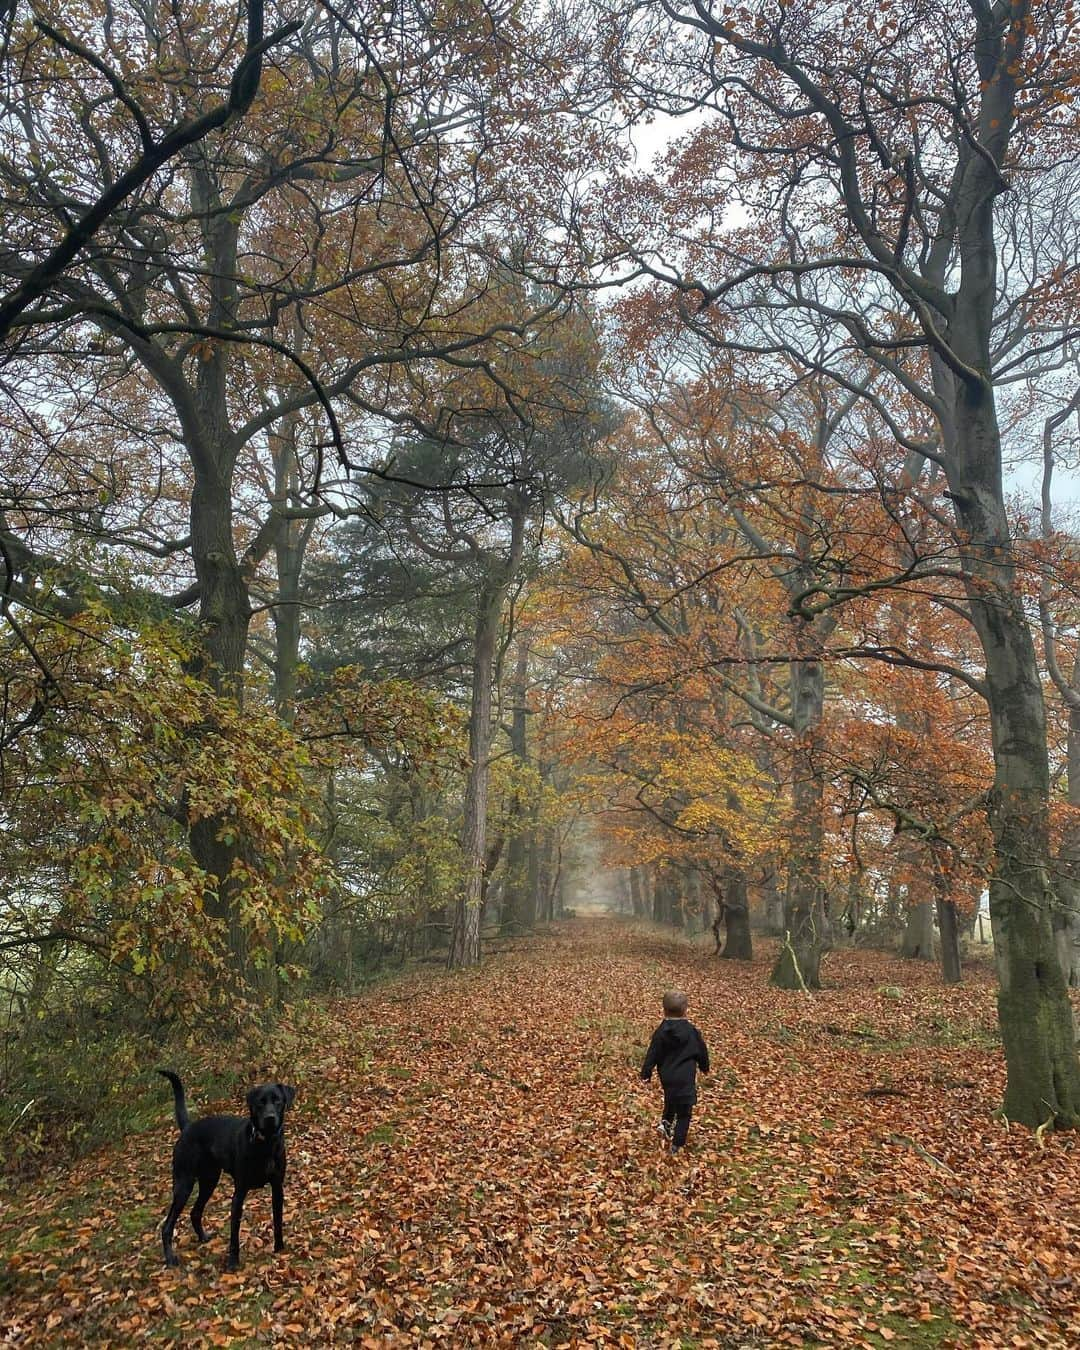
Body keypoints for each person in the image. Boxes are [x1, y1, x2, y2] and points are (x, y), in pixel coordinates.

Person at [640, 989, 709, 1153]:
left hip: (667, 1076)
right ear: (686, 1009)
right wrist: (704, 1066)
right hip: (685, 1077)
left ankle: (666, 1123)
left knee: (671, 1099)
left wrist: (646, 1072)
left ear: (664, 1009)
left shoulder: (660, 1032)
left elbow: (653, 1052)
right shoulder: (692, 1032)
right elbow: (701, 1050)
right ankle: (677, 1144)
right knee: (685, 1112)